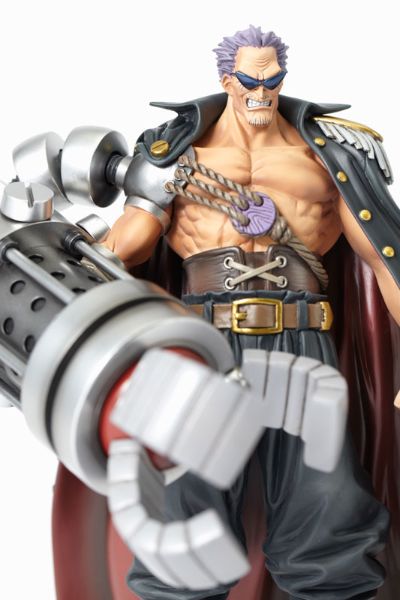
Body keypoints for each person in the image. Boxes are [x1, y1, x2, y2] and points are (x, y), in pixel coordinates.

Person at [105, 25, 399, 600]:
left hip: (301, 337)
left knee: (326, 506)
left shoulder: (330, 154)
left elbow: (384, 259)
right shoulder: (174, 151)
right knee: (185, 505)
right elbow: (130, 243)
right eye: (249, 80)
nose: (261, 92)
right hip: (204, 339)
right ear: (226, 79)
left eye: (272, 80)